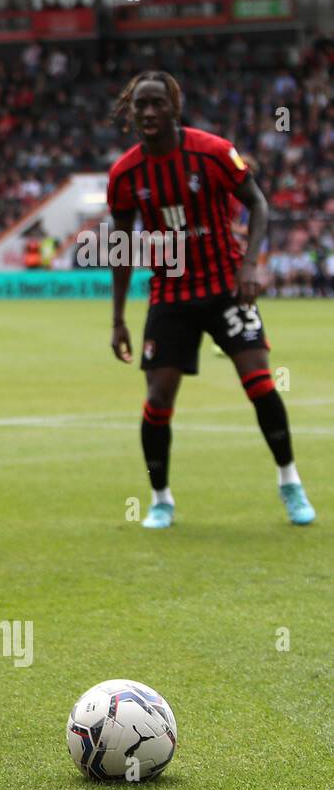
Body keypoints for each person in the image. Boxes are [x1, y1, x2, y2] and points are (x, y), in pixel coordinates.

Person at [107, 70, 315, 528]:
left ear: (173, 107)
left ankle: (290, 482)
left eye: (156, 103)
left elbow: (258, 203)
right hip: (171, 292)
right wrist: (118, 319)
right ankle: (160, 498)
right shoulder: (126, 174)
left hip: (226, 286)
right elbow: (120, 249)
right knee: (158, 398)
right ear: (132, 111)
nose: (147, 112)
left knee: (259, 381)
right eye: (140, 105)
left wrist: (250, 265)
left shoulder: (214, 153)